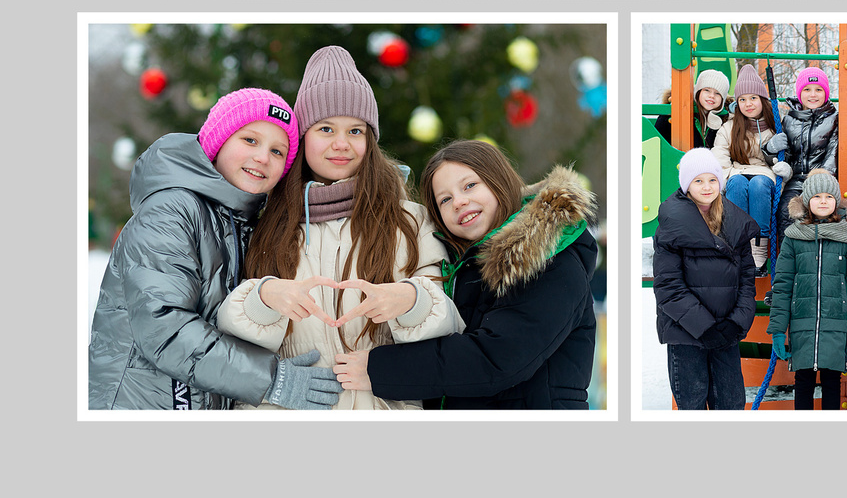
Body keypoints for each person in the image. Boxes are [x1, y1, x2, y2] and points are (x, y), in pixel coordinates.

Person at [217, 46, 459, 408]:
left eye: (355, 130)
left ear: (370, 139)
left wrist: (410, 300)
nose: (342, 144)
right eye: (326, 128)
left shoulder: (409, 220)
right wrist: (263, 298)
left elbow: (453, 321)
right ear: (303, 137)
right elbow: (228, 335)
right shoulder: (266, 222)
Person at [88, 88, 341, 410]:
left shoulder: (243, 221)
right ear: (218, 142)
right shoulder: (172, 209)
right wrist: (273, 379)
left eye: (278, 152)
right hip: (142, 401)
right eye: (250, 140)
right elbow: (163, 326)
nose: (263, 157)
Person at [341, 142, 599, 410]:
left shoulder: (551, 260)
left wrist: (380, 370)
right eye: (445, 199)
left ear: (499, 181)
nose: (459, 202)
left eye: (469, 186)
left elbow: (496, 359)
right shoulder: (463, 267)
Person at [656, 149, 759, 411]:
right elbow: (669, 286)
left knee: (731, 403)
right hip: (687, 332)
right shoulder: (672, 223)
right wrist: (705, 327)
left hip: (726, 331)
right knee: (693, 404)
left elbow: (747, 280)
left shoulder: (735, 223)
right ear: (687, 184)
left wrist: (736, 323)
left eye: (712, 180)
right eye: (698, 180)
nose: (707, 187)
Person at [769, 166, 847, 411]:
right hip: (803, 322)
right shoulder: (794, 237)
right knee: (802, 380)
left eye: (828, 197)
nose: (823, 202)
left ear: (836, 201)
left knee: (831, 381)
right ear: (806, 201)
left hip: (837, 323)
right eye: (817, 197)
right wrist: (779, 330)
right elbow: (782, 286)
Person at [706, 63, 788, 268]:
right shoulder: (730, 127)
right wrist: (725, 176)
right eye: (742, 99)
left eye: (753, 98)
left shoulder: (776, 124)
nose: (748, 104)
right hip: (736, 171)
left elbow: (786, 156)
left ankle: (759, 243)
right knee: (737, 184)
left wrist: (784, 169)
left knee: (758, 185)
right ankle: (738, 241)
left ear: (762, 100)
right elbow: (720, 154)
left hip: (766, 174)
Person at [771, 66, 839, 226]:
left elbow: (832, 153)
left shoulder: (834, 119)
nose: (813, 94)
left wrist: (818, 182)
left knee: (820, 212)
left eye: (818, 89)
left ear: (826, 93)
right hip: (795, 181)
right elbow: (785, 156)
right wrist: (771, 150)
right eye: (807, 89)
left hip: (822, 180)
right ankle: (786, 250)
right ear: (800, 93)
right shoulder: (789, 120)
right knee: (786, 212)